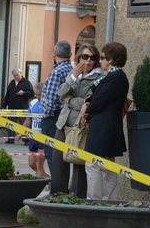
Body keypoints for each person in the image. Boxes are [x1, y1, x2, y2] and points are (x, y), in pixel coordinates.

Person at [80, 42, 130, 201]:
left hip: (104, 127)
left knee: (94, 165)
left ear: (111, 59)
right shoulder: (112, 76)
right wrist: (87, 102)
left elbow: (101, 99)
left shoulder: (115, 77)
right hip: (107, 126)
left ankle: (94, 203)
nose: (100, 61)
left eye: (102, 58)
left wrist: (86, 110)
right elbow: (96, 96)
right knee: (107, 167)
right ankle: (109, 202)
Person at [56, 44, 102, 197]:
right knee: (58, 162)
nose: (88, 61)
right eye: (85, 57)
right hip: (63, 123)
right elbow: (61, 92)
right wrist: (73, 77)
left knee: (78, 164)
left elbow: (87, 101)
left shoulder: (99, 76)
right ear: (78, 58)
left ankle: (77, 198)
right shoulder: (73, 73)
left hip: (80, 126)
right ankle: (58, 195)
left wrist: (68, 100)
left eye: (92, 58)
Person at [40, 40, 73, 192]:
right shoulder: (72, 70)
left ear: (54, 54)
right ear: (70, 54)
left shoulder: (57, 72)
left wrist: (45, 114)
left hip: (53, 118)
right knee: (62, 157)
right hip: (66, 116)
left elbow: (51, 100)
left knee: (53, 157)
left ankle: (58, 191)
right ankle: (63, 189)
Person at [15, 83, 48, 178]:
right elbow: (28, 120)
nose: (38, 97)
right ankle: (47, 177)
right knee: (31, 163)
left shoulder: (48, 104)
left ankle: (39, 184)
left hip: (43, 137)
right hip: (33, 137)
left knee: (39, 162)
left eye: (40, 95)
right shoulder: (33, 103)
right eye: (36, 94)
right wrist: (21, 132)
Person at [2, 68, 34, 144]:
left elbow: (32, 93)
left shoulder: (26, 82)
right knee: (10, 123)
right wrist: (4, 105)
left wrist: (24, 93)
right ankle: (11, 139)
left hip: (22, 107)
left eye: (17, 75)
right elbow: (8, 95)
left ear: (21, 73)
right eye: (14, 76)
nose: (16, 77)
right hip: (12, 107)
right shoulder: (12, 83)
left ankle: (26, 139)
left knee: (24, 123)